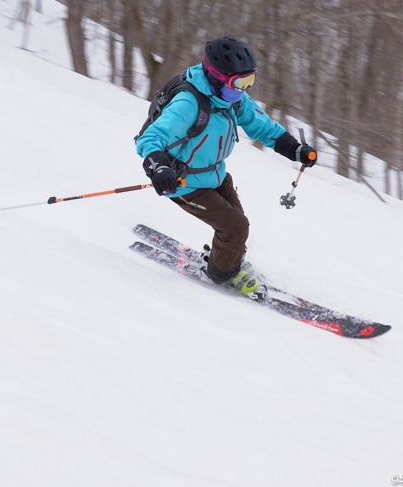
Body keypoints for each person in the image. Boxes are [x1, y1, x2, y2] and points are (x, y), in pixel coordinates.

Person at [135, 37, 317, 298]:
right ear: (217, 77)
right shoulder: (188, 103)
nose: (245, 89)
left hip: (215, 175)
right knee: (235, 226)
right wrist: (159, 168)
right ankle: (222, 274)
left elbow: (262, 126)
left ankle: (227, 260)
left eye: (250, 81)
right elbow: (151, 138)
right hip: (184, 182)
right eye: (240, 83)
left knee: (238, 226)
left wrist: (294, 148)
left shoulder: (231, 98)